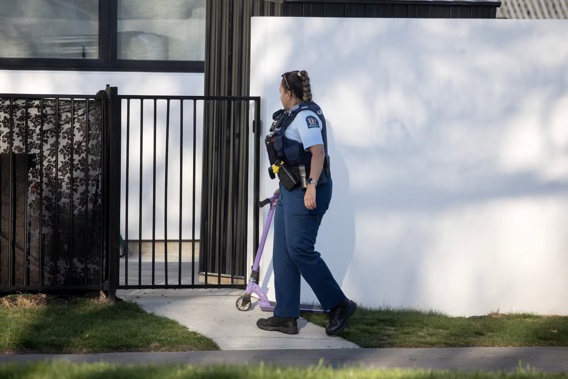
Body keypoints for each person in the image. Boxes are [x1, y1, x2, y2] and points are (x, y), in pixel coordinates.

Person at [256, 70, 356, 336]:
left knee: (300, 249)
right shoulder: (288, 118)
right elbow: (291, 159)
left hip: (309, 191)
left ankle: (339, 305)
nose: (279, 94)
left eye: (280, 90)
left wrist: (311, 186)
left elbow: (318, 153)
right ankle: (286, 316)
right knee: (283, 253)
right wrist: (282, 190)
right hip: (290, 192)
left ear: (289, 92)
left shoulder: (306, 117)